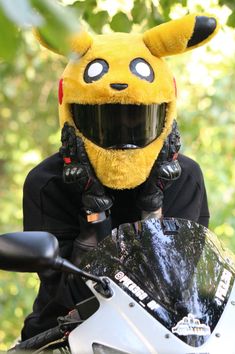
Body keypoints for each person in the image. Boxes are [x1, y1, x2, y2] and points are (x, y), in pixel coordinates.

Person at [21, 13, 219, 340]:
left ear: (165, 114)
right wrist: (94, 213)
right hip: (62, 335)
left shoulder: (184, 177)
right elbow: (68, 299)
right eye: (106, 120)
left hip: (162, 334)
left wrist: (153, 208)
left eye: (136, 119)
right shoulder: (47, 182)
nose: (123, 132)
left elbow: (176, 286)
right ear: (73, 114)